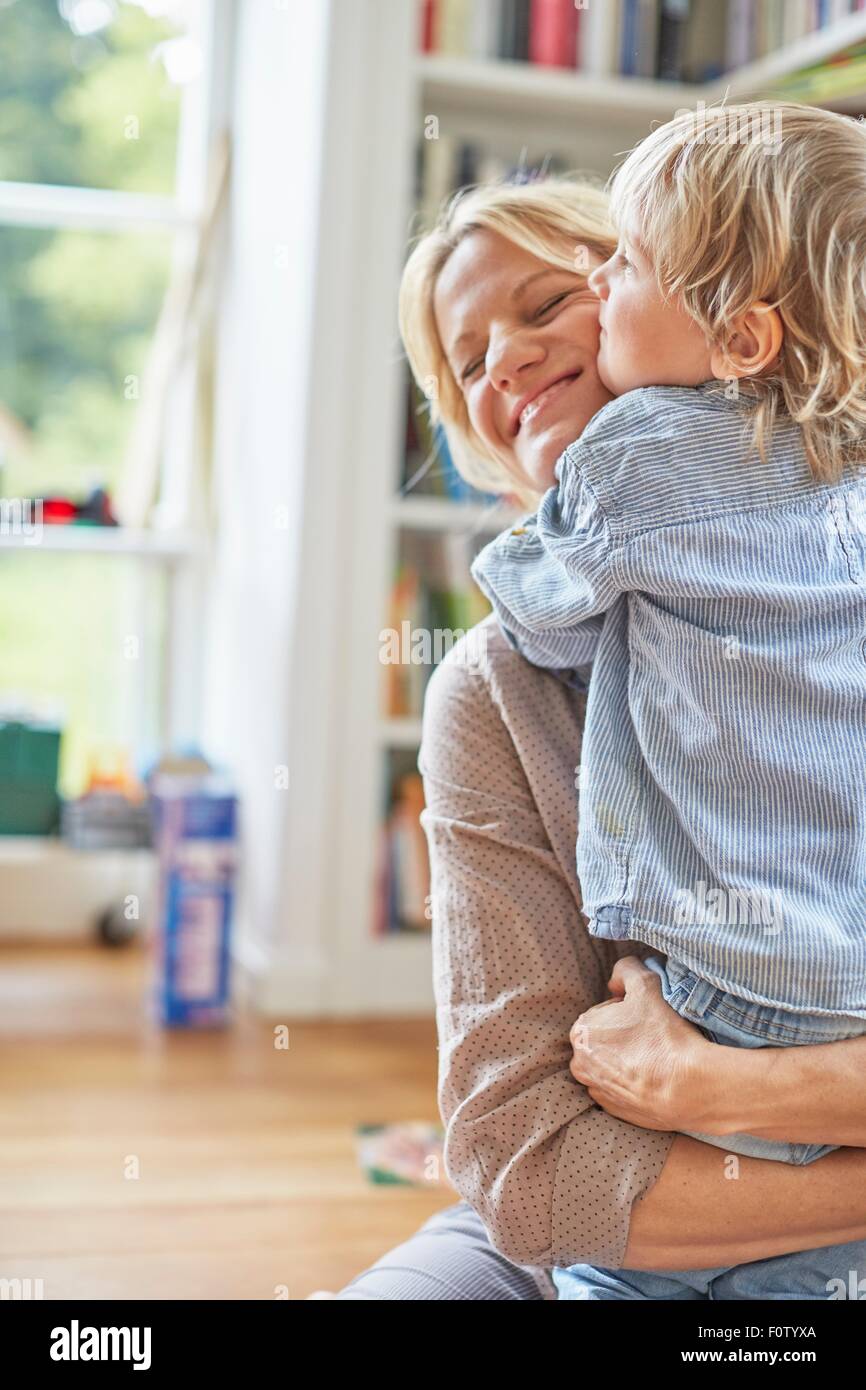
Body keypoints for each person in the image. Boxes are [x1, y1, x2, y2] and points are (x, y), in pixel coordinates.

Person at [324, 173, 866, 1300]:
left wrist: (704, 1086)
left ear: (710, 315)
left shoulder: (842, 577)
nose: (504, 364)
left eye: (545, 302)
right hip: (615, 1219)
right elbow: (521, 1169)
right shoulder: (492, 687)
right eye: (466, 361)